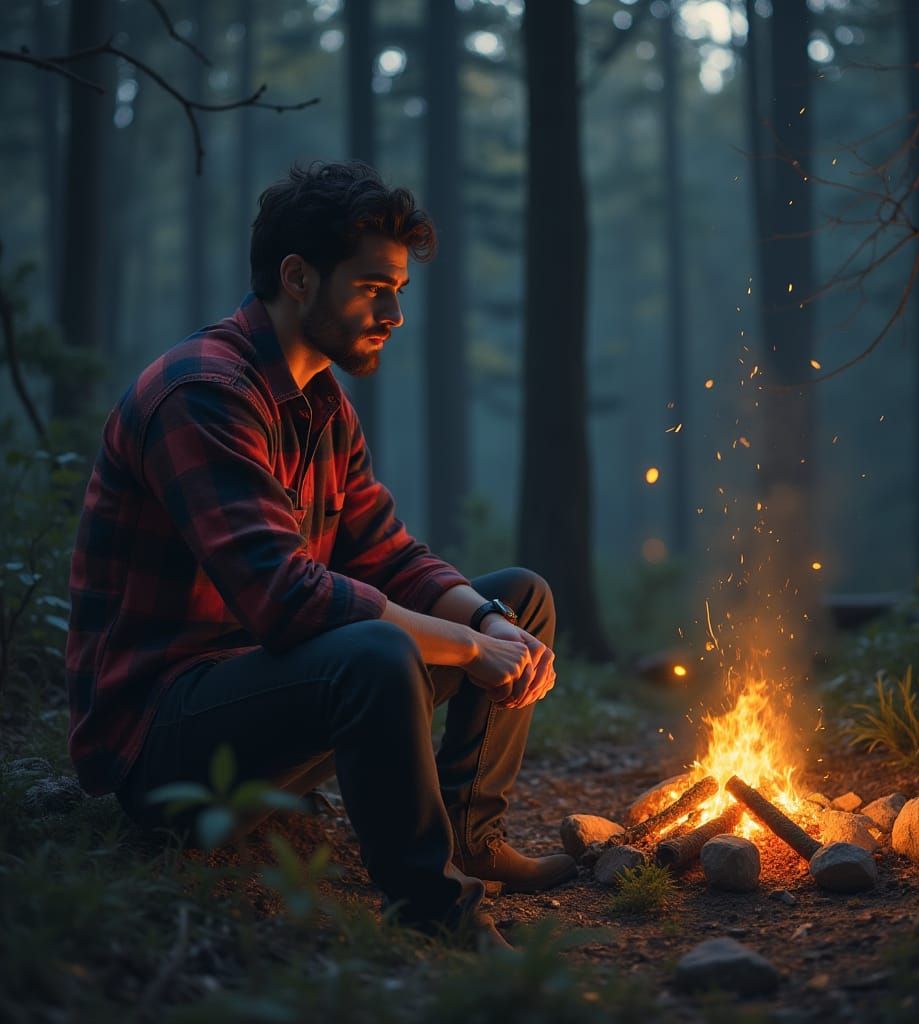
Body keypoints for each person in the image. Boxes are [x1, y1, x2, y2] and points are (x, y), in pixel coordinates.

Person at [66, 161, 576, 945]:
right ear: (297, 277)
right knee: (371, 650)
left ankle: (474, 839)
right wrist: (469, 648)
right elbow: (290, 600)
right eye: (375, 286)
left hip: (269, 698)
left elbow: (386, 553)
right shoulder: (200, 393)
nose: (396, 311)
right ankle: (433, 915)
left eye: (400, 288)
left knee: (520, 598)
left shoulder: (322, 404)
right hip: (166, 742)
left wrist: (487, 622)